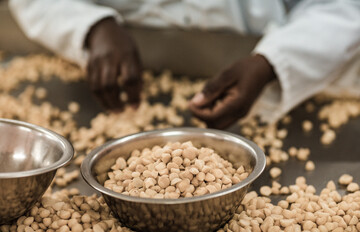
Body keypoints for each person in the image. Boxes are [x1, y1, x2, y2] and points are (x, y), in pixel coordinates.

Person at [9, 0, 360, 129]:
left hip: (282, 64)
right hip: (128, 52)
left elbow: (343, 8)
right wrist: (90, 27)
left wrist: (273, 61)